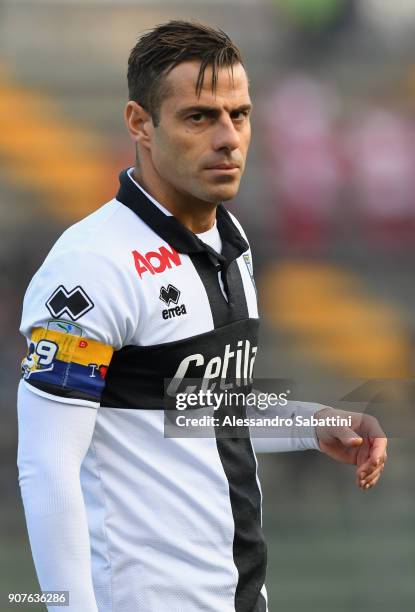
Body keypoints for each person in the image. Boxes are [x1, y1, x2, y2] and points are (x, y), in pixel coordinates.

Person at [17, 20, 387, 612]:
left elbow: (189, 405)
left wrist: (308, 422)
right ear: (139, 122)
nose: (228, 138)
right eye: (199, 117)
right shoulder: (91, 266)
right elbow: (47, 466)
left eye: (239, 116)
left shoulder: (229, 240)